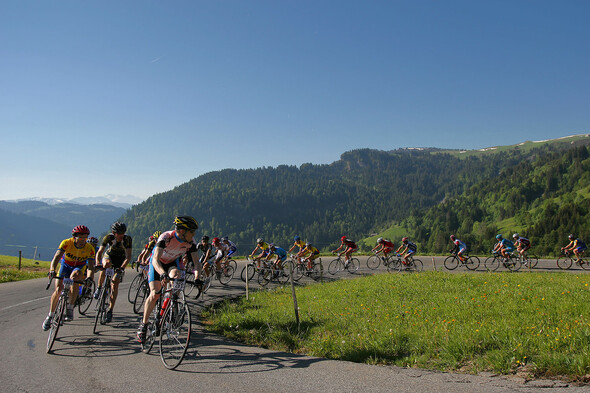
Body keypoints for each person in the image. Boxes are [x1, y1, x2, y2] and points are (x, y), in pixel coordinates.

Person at [137, 215, 200, 344]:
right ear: (182, 231)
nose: (193, 234)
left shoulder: (190, 242)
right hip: (158, 263)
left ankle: (168, 307)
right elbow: (155, 260)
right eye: (191, 231)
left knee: (176, 278)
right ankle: (143, 325)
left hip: (172, 262)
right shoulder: (166, 237)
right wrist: (162, 274)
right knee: (155, 293)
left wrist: (198, 278)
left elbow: (196, 262)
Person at [42, 225, 95, 330]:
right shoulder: (66, 243)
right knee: (58, 290)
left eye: (85, 238)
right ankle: (50, 316)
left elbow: (90, 267)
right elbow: (57, 257)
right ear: (74, 237)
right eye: (80, 238)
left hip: (79, 267)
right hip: (65, 265)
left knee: (76, 279)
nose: (83, 241)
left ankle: (70, 308)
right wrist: (52, 269)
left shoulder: (89, 248)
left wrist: (89, 278)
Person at [94, 222, 132, 323]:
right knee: (105, 265)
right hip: (109, 256)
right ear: (114, 233)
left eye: (123, 233)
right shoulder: (108, 237)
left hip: (120, 260)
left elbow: (128, 256)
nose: (121, 235)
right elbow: (100, 252)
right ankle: (99, 287)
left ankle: (110, 310)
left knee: (115, 283)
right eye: (119, 233)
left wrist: (122, 267)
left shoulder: (127, 239)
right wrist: (98, 263)